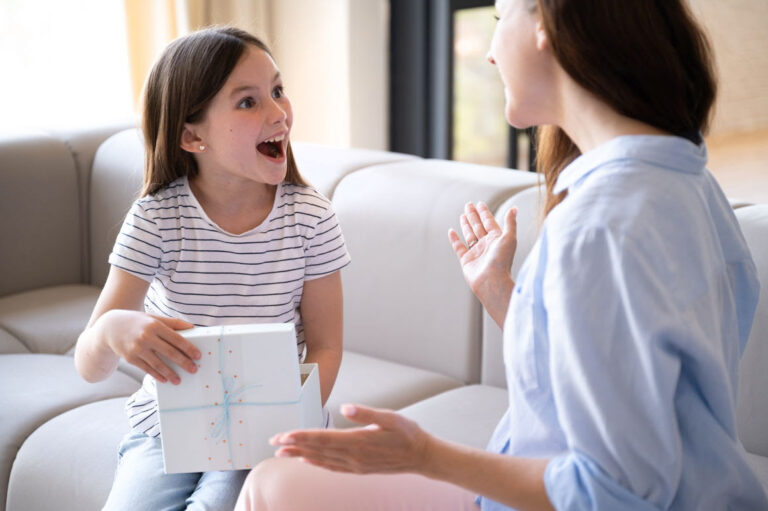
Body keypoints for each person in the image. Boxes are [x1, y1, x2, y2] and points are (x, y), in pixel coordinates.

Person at [236, 0, 768, 510]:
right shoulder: (691, 185)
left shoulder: (599, 228)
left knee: (271, 487)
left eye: (498, 15)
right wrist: (501, 292)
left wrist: (425, 454)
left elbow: (610, 493)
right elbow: (630, 376)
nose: (490, 52)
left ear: (547, 23)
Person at [73, 26, 350, 510]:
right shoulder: (158, 218)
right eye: (248, 102)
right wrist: (113, 329)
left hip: (269, 431)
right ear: (191, 135)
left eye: (278, 91)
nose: (279, 112)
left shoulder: (311, 217)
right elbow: (89, 365)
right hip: (163, 430)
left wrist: (284, 421)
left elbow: (326, 346)